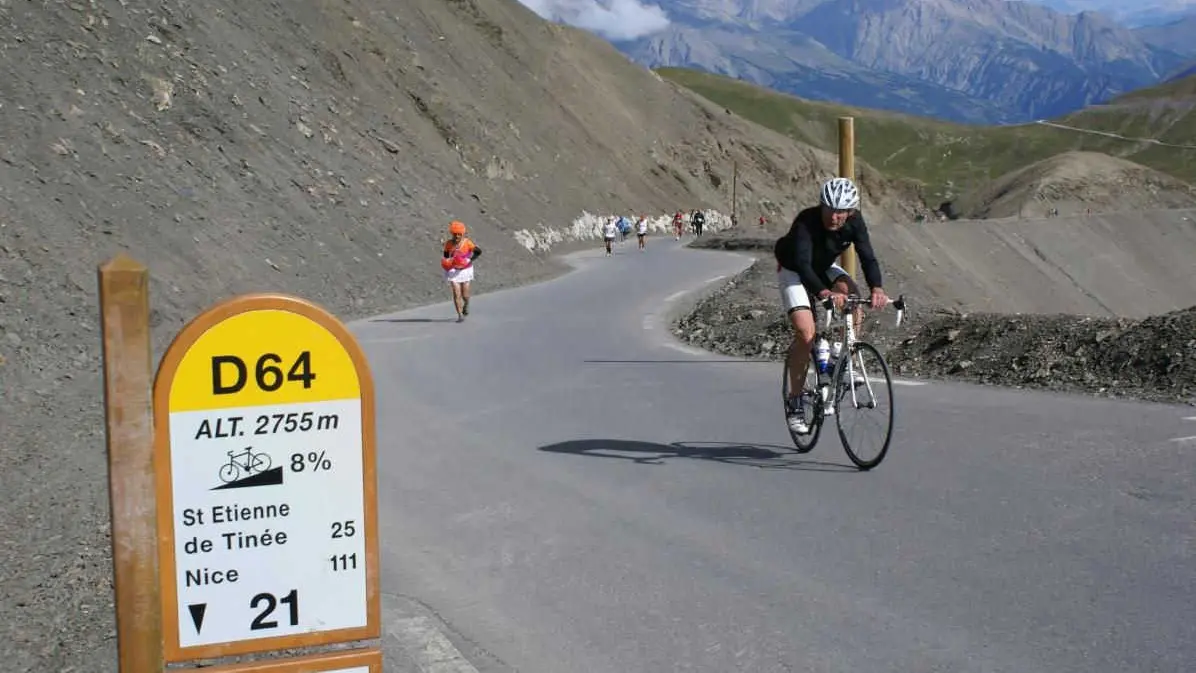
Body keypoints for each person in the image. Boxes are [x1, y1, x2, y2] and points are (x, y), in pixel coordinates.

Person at [773, 177, 889, 434]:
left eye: (842, 212)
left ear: (851, 211)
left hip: (823, 266)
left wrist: (877, 289)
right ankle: (795, 401)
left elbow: (867, 255)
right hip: (794, 269)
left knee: (854, 297)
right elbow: (803, 265)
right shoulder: (807, 221)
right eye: (830, 209)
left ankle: (840, 354)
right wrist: (824, 293)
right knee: (806, 333)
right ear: (821, 205)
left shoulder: (855, 222)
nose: (835, 217)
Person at [442, 220, 482, 322]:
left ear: (462, 234)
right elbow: (446, 256)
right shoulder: (448, 244)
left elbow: (478, 251)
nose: (457, 236)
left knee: (465, 295)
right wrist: (447, 264)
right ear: (452, 234)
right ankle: (460, 315)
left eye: (459, 234)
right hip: (454, 270)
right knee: (456, 293)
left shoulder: (467, 243)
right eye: (455, 234)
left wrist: (469, 260)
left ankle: (466, 304)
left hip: (465, 270)